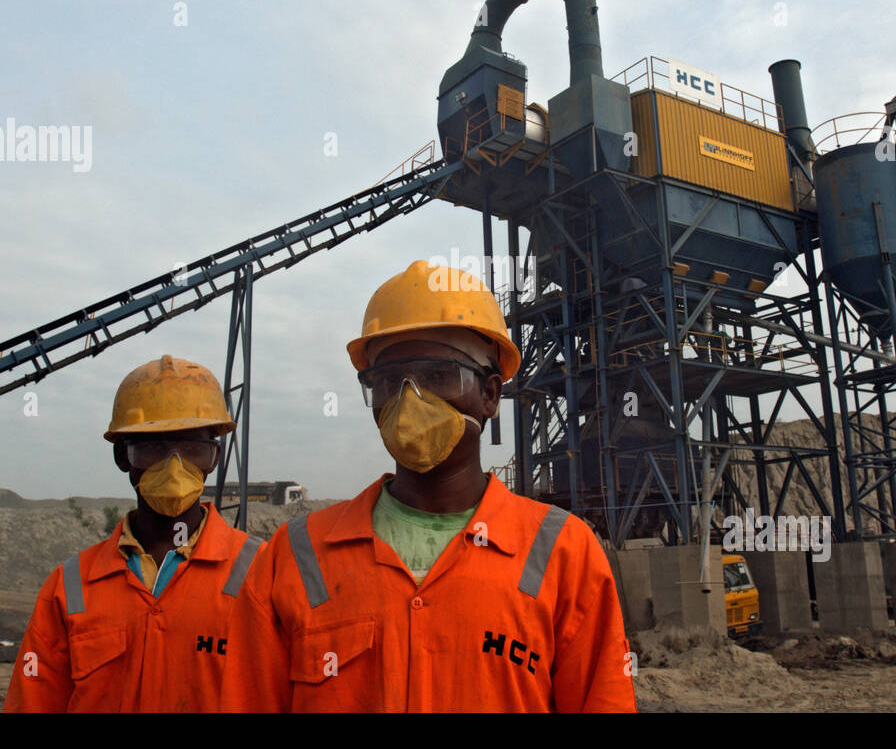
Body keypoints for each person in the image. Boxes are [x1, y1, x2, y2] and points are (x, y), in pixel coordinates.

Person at [224, 259, 636, 712]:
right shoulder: (294, 556)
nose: (409, 398)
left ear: (490, 394)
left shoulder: (564, 553)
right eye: (386, 381)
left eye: (439, 375)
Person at [4, 354, 264, 712]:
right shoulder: (70, 588)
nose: (175, 466)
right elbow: (33, 703)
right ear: (123, 457)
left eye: (192, 448)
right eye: (154, 447)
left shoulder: (263, 573)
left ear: (215, 457)